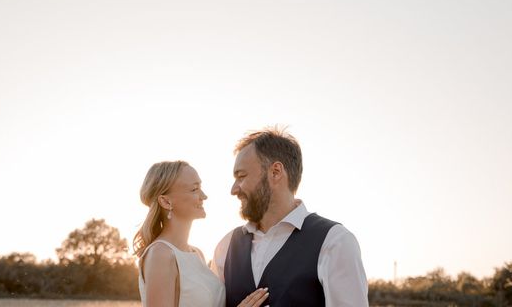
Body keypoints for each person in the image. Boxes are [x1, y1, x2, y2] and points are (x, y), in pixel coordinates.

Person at [211, 127, 369, 307]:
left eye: (241, 176)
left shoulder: (335, 241)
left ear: (276, 172)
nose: (234, 190)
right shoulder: (225, 247)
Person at [134, 160, 270, 307]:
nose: (204, 196)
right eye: (194, 189)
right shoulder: (160, 254)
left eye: (200, 187)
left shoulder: (197, 254)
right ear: (166, 202)